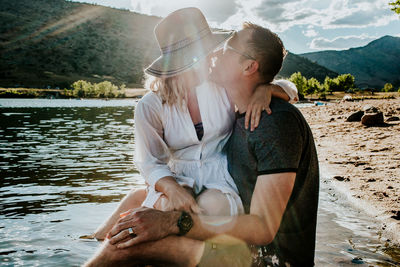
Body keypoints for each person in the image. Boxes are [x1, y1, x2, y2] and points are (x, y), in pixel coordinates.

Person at [84, 9, 319, 267]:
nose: (214, 55)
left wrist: (269, 88)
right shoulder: (153, 106)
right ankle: (89, 243)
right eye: (205, 51)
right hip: (184, 184)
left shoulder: (241, 103)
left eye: (219, 49)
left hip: (241, 220)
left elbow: (277, 83)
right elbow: (150, 162)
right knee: (144, 202)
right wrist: (171, 189)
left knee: (174, 220)